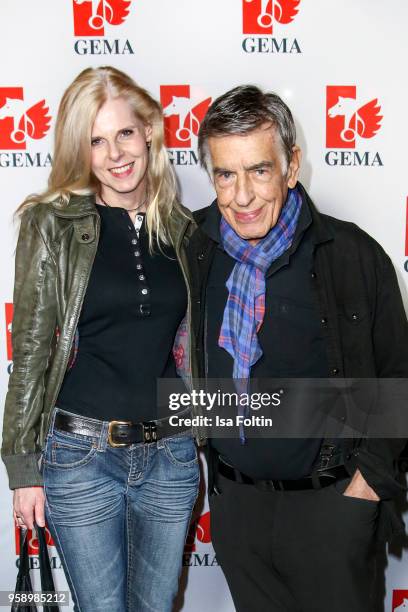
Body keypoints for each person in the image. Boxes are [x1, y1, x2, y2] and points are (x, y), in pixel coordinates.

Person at [188, 85, 408, 611]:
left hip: (331, 510)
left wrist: (365, 489)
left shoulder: (351, 254)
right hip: (238, 509)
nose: (241, 196)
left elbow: (398, 380)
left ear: (291, 166)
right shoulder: (192, 245)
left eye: (259, 170)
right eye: (225, 174)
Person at [1, 66, 200, 612]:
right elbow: (33, 350)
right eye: (95, 140)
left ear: (149, 132)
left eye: (125, 133)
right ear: (79, 151)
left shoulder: (184, 230)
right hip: (81, 457)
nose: (115, 153)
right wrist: (22, 469)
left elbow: (198, 348)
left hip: (171, 457)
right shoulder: (52, 224)